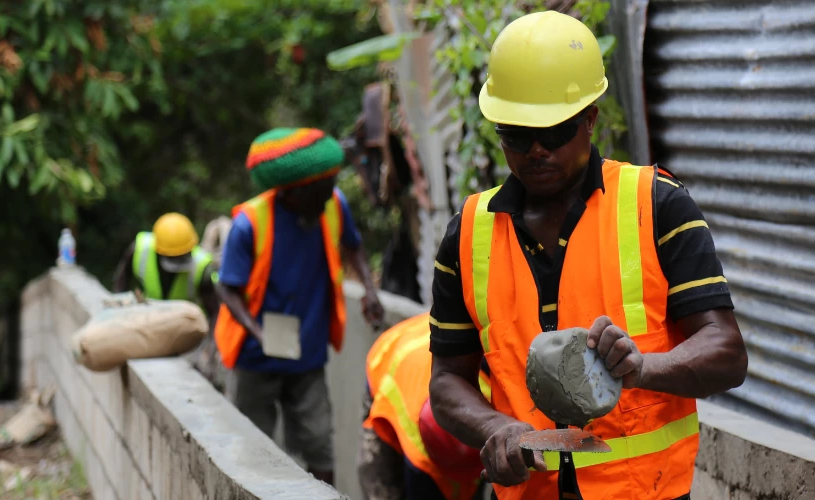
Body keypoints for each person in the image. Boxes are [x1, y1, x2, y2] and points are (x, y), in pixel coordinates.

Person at [427, 11, 749, 500]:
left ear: (590, 119)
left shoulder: (655, 205)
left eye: (555, 131)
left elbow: (726, 353)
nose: (536, 150)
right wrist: (496, 427)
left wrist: (643, 368)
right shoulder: (468, 234)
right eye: (517, 135)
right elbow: (447, 380)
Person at [214, 127, 385, 487]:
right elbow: (227, 288)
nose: (332, 192)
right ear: (295, 192)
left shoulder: (332, 205)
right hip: (255, 359)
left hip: (307, 356)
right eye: (324, 187)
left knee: (320, 448)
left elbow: (353, 246)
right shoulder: (250, 223)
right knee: (251, 448)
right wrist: (258, 333)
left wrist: (369, 290)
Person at [358, 313, 490, 500]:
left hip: (428, 346)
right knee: (380, 481)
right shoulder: (416, 436)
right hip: (388, 358)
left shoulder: (495, 398)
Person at [112, 212, 218, 317]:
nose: (177, 261)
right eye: (173, 257)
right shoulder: (141, 250)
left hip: (185, 320)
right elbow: (121, 282)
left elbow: (213, 309)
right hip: (149, 313)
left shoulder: (201, 265)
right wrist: (120, 310)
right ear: (158, 251)